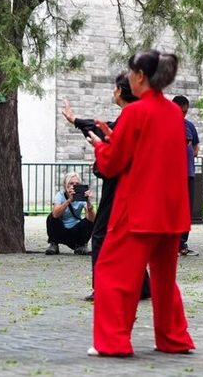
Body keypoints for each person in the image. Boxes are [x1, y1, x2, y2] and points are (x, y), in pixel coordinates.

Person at [87, 49, 195, 357]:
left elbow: (112, 163)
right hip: (170, 211)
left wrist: (100, 146)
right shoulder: (174, 112)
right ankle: (174, 338)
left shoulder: (135, 113)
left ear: (140, 76)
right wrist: (112, 139)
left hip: (138, 209)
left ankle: (113, 341)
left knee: (111, 272)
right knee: (164, 280)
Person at [61, 73, 151, 302]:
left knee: (100, 234)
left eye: (114, 89)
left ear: (121, 91)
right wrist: (77, 121)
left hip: (121, 185)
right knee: (129, 235)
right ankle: (142, 286)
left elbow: (110, 136)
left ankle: (102, 287)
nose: (112, 92)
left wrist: (84, 130)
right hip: (134, 185)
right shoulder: (135, 116)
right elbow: (105, 128)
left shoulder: (130, 116)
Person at [171, 95, 200, 256]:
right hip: (172, 175)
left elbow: (196, 147)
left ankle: (182, 243)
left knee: (186, 211)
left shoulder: (189, 126)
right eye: (180, 111)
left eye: (185, 112)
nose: (182, 115)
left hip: (188, 173)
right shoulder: (165, 125)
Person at [45, 172, 95, 255]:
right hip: (61, 230)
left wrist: (88, 202)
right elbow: (55, 214)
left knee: (89, 221)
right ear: (65, 185)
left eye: (77, 184)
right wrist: (69, 200)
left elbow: (92, 219)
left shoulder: (82, 197)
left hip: (75, 232)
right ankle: (53, 244)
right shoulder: (60, 195)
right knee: (51, 217)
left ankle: (81, 246)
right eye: (71, 183)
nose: (73, 186)